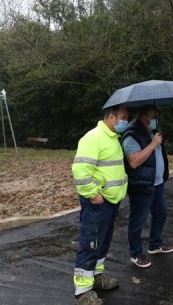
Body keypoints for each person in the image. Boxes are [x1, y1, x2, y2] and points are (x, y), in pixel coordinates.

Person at [71, 105, 129, 305]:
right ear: (111, 117)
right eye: (123, 118)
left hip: (111, 201)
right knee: (90, 242)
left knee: (102, 242)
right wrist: (92, 194)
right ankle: (82, 291)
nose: (125, 122)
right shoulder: (93, 137)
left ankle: (96, 277)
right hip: (98, 202)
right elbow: (80, 169)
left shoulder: (113, 139)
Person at [121, 104, 173, 269]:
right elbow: (134, 161)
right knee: (138, 220)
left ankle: (155, 244)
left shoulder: (150, 132)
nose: (155, 120)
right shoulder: (131, 135)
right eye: (153, 117)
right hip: (141, 185)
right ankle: (136, 253)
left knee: (161, 213)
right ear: (145, 118)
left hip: (157, 183)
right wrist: (152, 144)